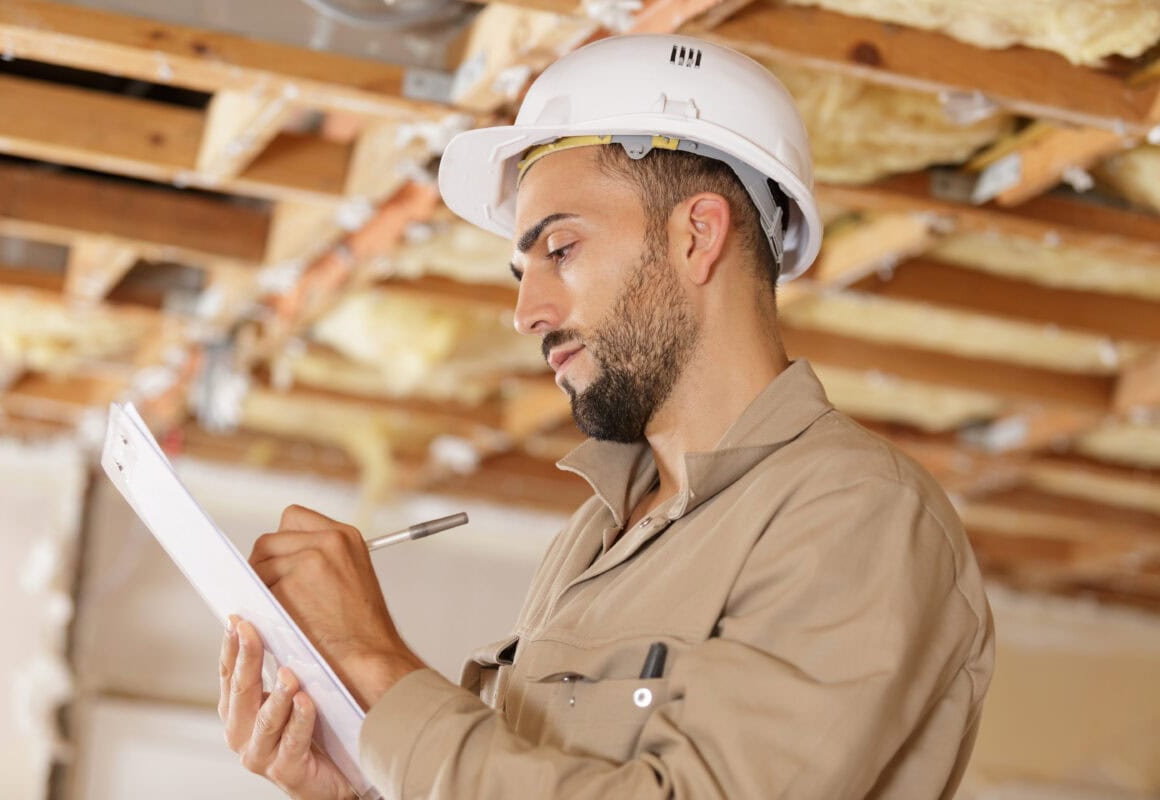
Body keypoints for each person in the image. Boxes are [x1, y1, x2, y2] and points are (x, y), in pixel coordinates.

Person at [218, 34, 994, 799]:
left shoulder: (859, 515)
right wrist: (356, 782)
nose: (526, 312)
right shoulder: (595, 539)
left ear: (697, 236)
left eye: (559, 248)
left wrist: (375, 666)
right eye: (522, 272)